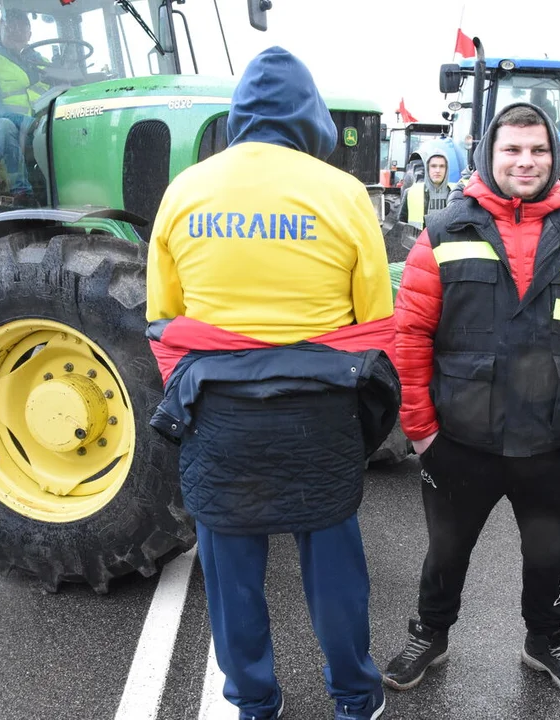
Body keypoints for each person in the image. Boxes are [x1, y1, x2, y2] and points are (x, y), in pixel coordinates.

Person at [145, 47, 398, 720]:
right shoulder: (343, 194)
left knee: (232, 582)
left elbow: (163, 325)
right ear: (309, 116)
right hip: (318, 417)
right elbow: (374, 332)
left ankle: (255, 703)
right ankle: (355, 697)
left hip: (221, 419)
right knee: (336, 576)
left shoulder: (185, 192)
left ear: (238, 116)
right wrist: (362, 426)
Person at [385, 103, 560, 701]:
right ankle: (431, 634)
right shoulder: (445, 231)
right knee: (446, 550)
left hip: (555, 441)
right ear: (490, 157)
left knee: (551, 553)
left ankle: (545, 642)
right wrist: (420, 430)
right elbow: (409, 334)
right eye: (513, 150)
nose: (526, 161)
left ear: (555, 159)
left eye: (538, 150)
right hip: (461, 440)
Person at [0, 9, 52, 205]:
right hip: (3, 131)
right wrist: (29, 123)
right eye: (11, 27)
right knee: (3, 126)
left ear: (30, 34)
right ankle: (21, 193)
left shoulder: (40, 61)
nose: (17, 32)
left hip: (42, 126)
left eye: (22, 29)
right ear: (0, 29)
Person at [399, 147, 451, 229]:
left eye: (442, 166)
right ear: (427, 168)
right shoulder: (411, 193)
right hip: (418, 240)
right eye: (433, 166)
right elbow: (401, 226)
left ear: (446, 169)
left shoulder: (455, 193)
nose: (438, 170)